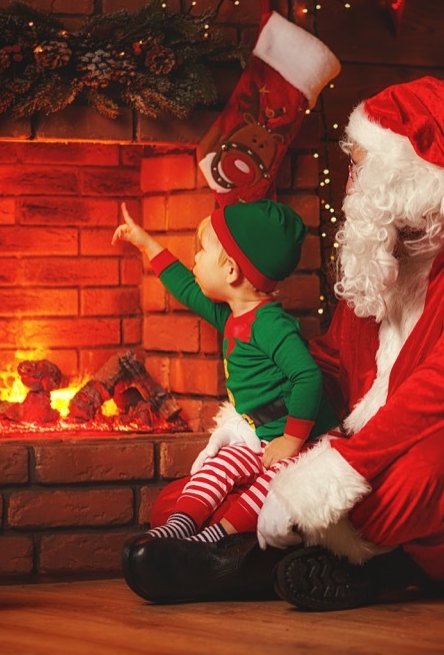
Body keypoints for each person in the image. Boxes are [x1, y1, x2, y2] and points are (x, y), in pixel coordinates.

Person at [122, 76, 444, 610]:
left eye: (363, 165)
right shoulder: (382, 260)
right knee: (186, 500)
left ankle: (240, 566)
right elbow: (334, 367)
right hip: (362, 457)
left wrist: (330, 475)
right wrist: (260, 426)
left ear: (408, 174)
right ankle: (359, 564)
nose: (352, 181)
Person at [113, 200, 340, 570]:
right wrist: (145, 243)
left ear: (231, 271)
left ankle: (215, 539)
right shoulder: (234, 314)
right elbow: (187, 288)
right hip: (262, 434)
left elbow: (307, 376)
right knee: (219, 466)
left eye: (202, 251)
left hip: (306, 438)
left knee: (271, 486)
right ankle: (179, 526)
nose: (196, 259)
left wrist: (292, 440)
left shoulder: (270, 324)